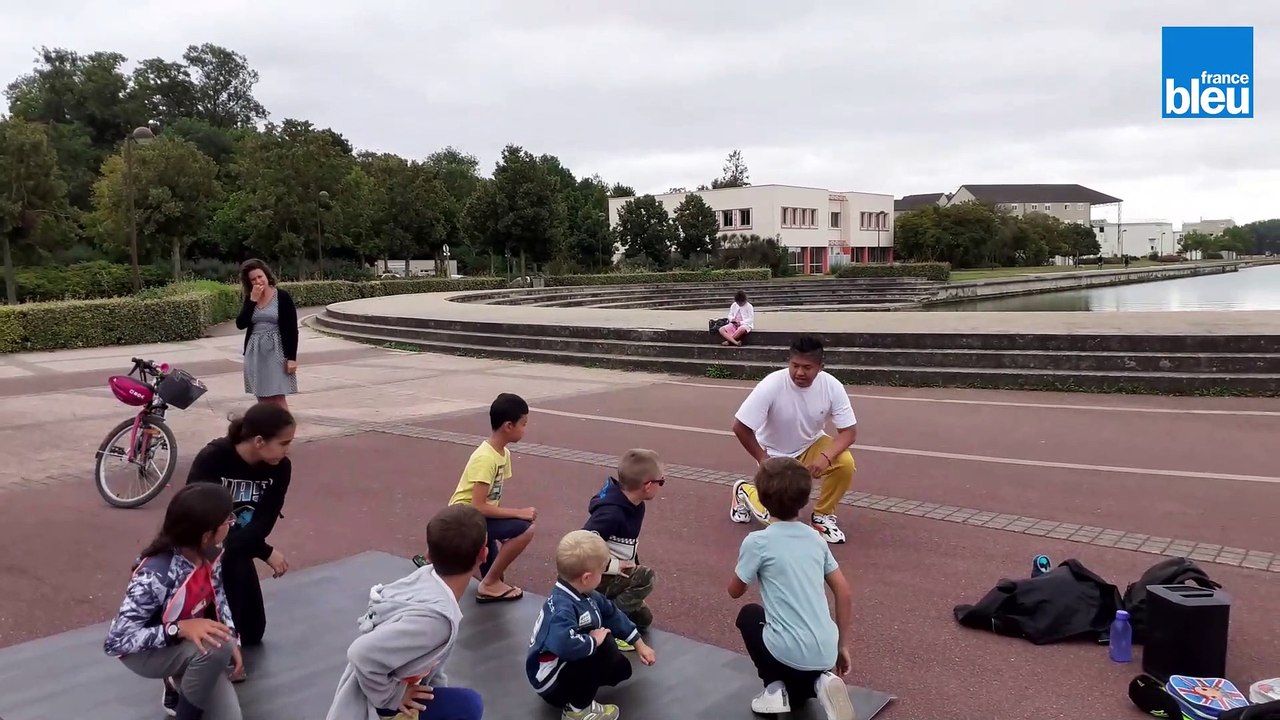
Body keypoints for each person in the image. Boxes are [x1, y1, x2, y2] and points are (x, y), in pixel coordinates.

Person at [325, 504, 487, 720]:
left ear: (428, 554)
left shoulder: (427, 577)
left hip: (388, 686)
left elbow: (434, 663)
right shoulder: (437, 619)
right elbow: (360, 653)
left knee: (451, 702)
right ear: (483, 555)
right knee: (468, 705)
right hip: (374, 704)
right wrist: (392, 696)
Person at [728, 457, 855, 720]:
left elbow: (735, 591)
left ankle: (773, 689)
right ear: (805, 499)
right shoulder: (816, 538)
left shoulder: (758, 541)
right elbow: (843, 591)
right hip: (826, 652)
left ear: (761, 500)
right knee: (801, 685)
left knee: (750, 615)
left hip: (787, 656)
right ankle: (821, 682)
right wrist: (842, 646)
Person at [103, 483, 243, 720]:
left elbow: (219, 598)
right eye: (228, 519)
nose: (233, 522)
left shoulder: (212, 552)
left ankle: (184, 680)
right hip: (146, 653)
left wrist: (232, 640)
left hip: (186, 643)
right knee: (213, 649)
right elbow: (117, 643)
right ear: (206, 534)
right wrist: (179, 629)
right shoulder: (155, 574)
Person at [186, 401, 296, 668]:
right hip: (201, 550)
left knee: (253, 632)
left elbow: (264, 521)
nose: (287, 449)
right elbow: (195, 517)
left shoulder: (280, 468)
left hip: (238, 547)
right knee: (218, 632)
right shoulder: (213, 458)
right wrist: (264, 550)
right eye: (283, 443)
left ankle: (222, 624)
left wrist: (256, 546)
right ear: (259, 441)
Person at [729, 334, 858, 544]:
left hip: (811, 443)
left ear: (820, 367)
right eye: (795, 365)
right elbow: (740, 427)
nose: (799, 372)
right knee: (772, 520)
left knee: (845, 463)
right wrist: (763, 460)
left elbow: (849, 432)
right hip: (775, 453)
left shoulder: (832, 386)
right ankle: (743, 490)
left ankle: (822, 516)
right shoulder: (771, 385)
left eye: (807, 367)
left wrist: (826, 457)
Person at [415, 392, 537, 603]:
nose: (525, 430)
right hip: (463, 521)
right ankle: (483, 581)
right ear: (509, 426)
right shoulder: (485, 458)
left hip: (478, 519)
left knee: (496, 570)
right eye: (523, 424)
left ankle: (437, 559)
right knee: (525, 529)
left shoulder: (502, 454)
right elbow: (478, 506)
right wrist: (519, 513)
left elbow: (491, 500)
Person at [527, 530, 656, 720]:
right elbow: (564, 644)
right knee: (599, 647)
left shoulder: (582, 593)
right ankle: (577, 711)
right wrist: (593, 641)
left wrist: (639, 644)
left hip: (560, 668)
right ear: (587, 577)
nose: (603, 576)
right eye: (602, 572)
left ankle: (583, 684)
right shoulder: (562, 609)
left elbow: (611, 613)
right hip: (550, 683)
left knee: (619, 667)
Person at [582, 448, 664, 650]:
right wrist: (613, 565)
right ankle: (613, 628)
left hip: (610, 575)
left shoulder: (636, 505)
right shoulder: (611, 514)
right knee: (647, 577)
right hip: (596, 577)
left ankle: (601, 612)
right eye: (661, 482)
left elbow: (628, 547)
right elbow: (583, 547)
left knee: (644, 619)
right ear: (647, 485)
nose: (662, 486)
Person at [236, 258, 299, 410]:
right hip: (255, 352)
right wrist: (252, 301)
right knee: (262, 397)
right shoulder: (250, 298)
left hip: (277, 351)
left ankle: (285, 431)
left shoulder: (282, 297)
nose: (258, 281)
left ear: (266, 275)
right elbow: (240, 324)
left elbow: (292, 328)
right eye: (253, 279)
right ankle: (268, 431)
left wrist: (292, 358)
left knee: (278, 397)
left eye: (260, 276)